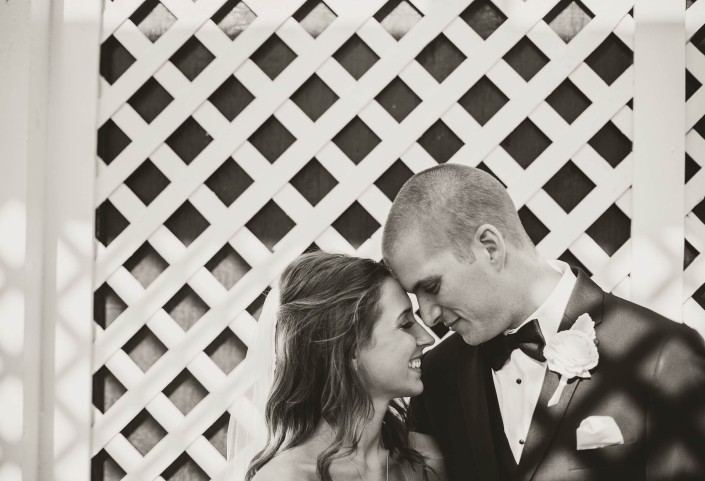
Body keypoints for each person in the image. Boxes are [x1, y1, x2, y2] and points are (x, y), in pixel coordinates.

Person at [381, 164, 705, 481]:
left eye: (432, 287)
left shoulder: (661, 356)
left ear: (490, 247)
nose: (428, 315)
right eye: (415, 296)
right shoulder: (437, 376)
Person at [241, 251, 447, 481]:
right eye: (406, 323)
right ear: (350, 349)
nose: (427, 338)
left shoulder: (424, 464)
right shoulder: (287, 477)